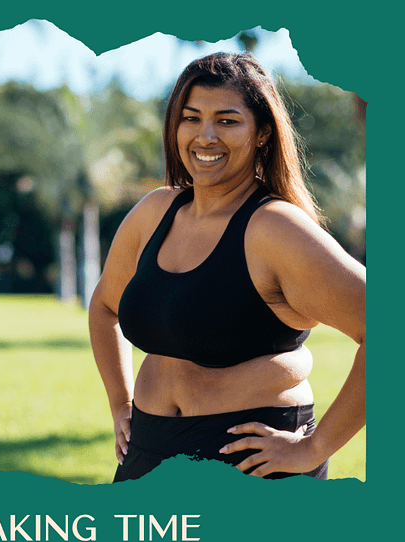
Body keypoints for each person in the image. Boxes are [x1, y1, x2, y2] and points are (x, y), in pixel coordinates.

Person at [88, 52, 365, 481]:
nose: (205, 136)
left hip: (250, 463)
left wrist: (314, 447)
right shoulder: (154, 212)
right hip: (147, 452)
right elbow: (105, 306)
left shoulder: (274, 228)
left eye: (227, 121)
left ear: (262, 134)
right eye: (191, 117)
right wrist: (120, 402)